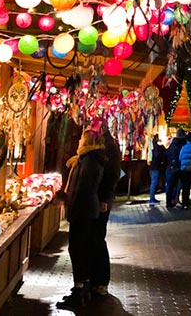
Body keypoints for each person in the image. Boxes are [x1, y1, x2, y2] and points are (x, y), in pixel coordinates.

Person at [57, 129, 105, 308]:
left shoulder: (90, 161)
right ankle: (81, 288)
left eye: (81, 139)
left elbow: (83, 189)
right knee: (78, 249)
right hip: (83, 210)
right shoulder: (85, 159)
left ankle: (80, 290)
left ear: (88, 142)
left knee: (78, 250)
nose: (78, 142)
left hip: (82, 211)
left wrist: (68, 201)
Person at [90, 129, 122, 296]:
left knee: (97, 239)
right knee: (94, 239)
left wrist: (105, 199)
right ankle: (95, 279)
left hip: (100, 201)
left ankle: (101, 281)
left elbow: (111, 175)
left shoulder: (109, 147)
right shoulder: (103, 145)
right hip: (96, 200)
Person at [165, 129, 187, 208]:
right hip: (181, 167)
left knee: (170, 186)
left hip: (170, 167)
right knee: (181, 185)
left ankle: (169, 202)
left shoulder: (172, 144)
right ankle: (177, 200)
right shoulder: (184, 144)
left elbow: (166, 154)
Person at [148, 134, 166, 204]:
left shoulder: (153, 148)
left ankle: (152, 198)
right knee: (154, 182)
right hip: (156, 167)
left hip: (152, 166)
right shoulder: (158, 148)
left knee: (153, 182)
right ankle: (152, 199)